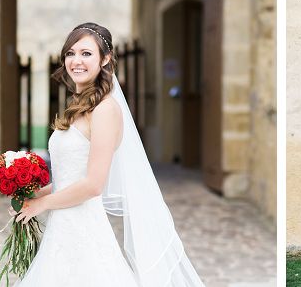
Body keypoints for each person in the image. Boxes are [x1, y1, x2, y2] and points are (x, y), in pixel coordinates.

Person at [12, 23, 203, 286]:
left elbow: (93, 184)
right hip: (63, 224)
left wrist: (43, 205)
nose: (76, 61)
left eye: (86, 53)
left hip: (83, 227)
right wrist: (35, 195)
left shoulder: (105, 110)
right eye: (70, 53)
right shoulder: (77, 107)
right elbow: (72, 179)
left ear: (105, 59)